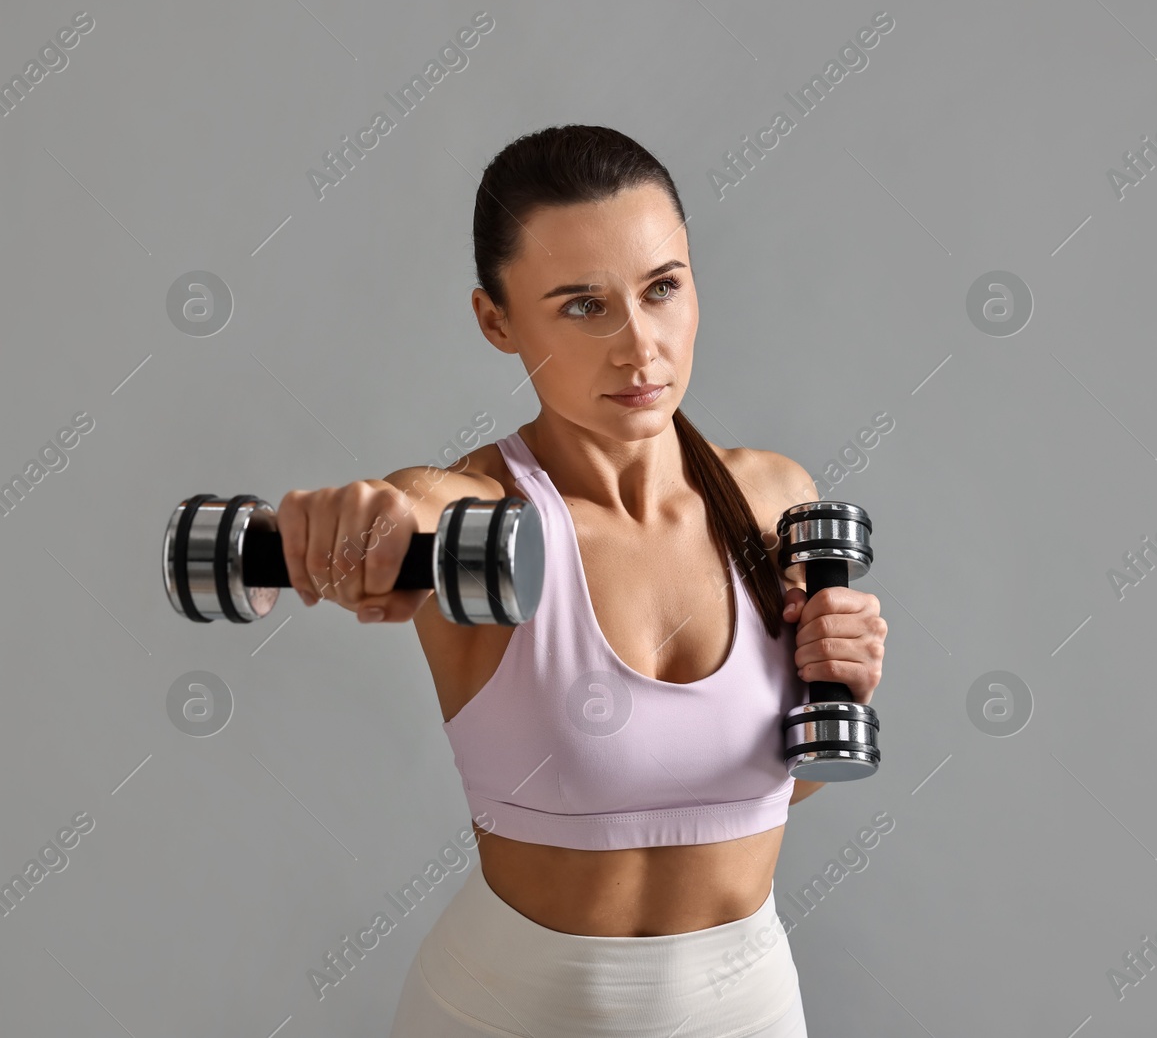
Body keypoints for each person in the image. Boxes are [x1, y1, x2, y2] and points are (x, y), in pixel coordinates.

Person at [272, 125, 888, 1037]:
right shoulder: (483, 515)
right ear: (497, 321)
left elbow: (752, 787)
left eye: (661, 289)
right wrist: (363, 526)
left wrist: (841, 682)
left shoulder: (774, 498)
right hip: (508, 1011)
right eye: (582, 307)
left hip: (746, 1007)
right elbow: (410, 513)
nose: (639, 347)